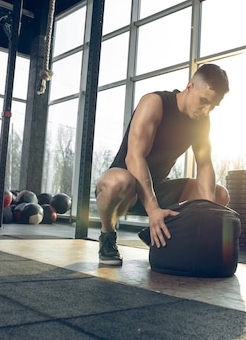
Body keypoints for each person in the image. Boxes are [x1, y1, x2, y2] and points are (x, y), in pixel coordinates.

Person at [95, 63, 231, 266]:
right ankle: (107, 236)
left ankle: (165, 237)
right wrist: (153, 209)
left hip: (160, 188)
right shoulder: (155, 102)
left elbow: (204, 165)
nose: (206, 110)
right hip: (128, 186)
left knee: (218, 196)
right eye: (204, 101)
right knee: (118, 182)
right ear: (190, 86)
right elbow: (134, 157)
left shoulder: (202, 121)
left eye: (213, 106)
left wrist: (207, 214)